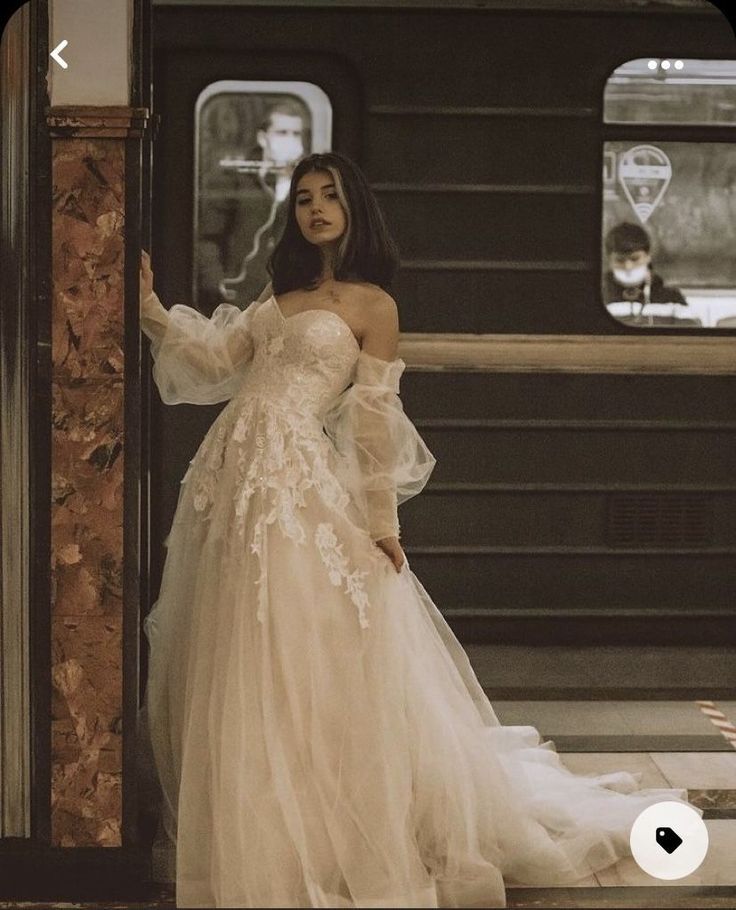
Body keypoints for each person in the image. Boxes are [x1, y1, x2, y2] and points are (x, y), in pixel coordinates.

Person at [139, 153, 698, 908]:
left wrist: (380, 521)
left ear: (353, 207)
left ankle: (322, 827)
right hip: (233, 486)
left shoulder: (374, 306)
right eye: (303, 198)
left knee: (299, 646)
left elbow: (373, 422)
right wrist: (146, 306)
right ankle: (261, 818)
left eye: (329, 195)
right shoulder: (281, 294)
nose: (315, 208)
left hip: (300, 488)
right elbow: (213, 361)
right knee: (242, 644)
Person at [220, 100, 306, 309]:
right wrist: (216, 284)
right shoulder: (236, 178)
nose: (290, 140)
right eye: (282, 133)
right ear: (263, 138)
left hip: (290, 299)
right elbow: (210, 238)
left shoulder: (307, 183)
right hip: (236, 297)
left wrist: (291, 177)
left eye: (296, 134)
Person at [603, 222, 695, 325]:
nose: (628, 267)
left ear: (648, 256)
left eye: (635, 259)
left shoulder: (673, 299)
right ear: (609, 260)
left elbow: (691, 338)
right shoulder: (599, 297)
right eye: (620, 260)